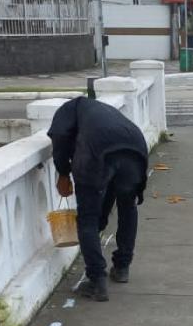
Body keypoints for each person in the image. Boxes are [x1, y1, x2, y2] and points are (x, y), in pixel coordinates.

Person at [48, 94, 149, 302]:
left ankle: (97, 281)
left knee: (87, 219)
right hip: (135, 149)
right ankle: (122, 267)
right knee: (127, 207)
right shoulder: (99, 111)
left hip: (98, 151)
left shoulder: (67, 111)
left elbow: (58, 137)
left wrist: (63, 173)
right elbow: (108, 187)